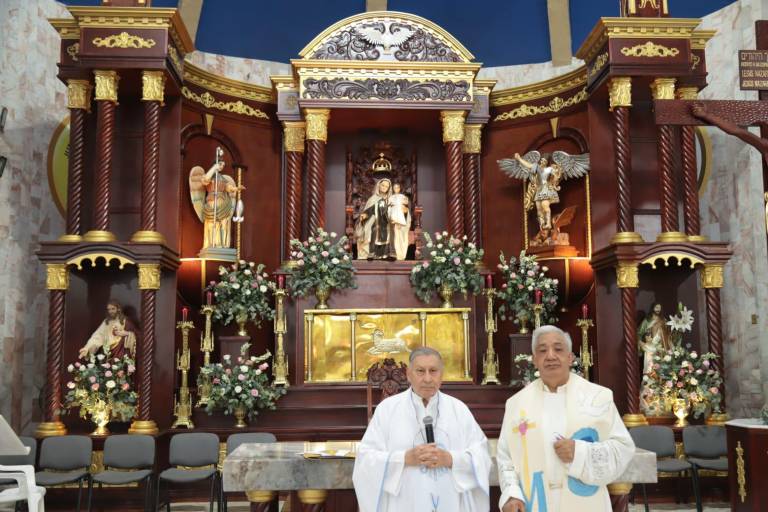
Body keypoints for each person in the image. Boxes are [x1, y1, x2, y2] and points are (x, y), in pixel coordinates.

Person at [497, 325, 635, 512]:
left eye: (558, 349)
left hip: (585, 504)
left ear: (570, 358)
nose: (551, 356)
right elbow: (506, 458)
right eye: (543, 350)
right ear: (535, 360)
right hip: (534, 502)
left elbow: (623, 449)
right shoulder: (516, 404)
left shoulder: (598, 397)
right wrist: (512, 494)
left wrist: (579, 453)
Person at [353, 347, 491, 511]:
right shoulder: (387, 410)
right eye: (420, 371)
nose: (427, 378)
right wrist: (404, 458)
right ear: (408, 374)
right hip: (404, 503)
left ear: (442, 375)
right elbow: (366, 460)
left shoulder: (458, 410)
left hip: (451, 502)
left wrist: (450, 459)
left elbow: (482, 456)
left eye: (433, 371)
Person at [189, 152, 245, 250]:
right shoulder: (209, 176)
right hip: (212, 202)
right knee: (212, 223)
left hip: (223, 203)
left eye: (223, 165)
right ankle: (211, 243)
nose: (222, 167)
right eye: (220, 165)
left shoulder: (222, 178)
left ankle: (222, 244)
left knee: (223, 223)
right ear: (215, 164)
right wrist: (214, 168)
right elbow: (205, 180)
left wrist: (237, 188)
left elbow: (229, 188)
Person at [356, 178, 396, 260]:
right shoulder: (373, 199)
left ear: (389, 188)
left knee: (390, 230)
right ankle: (372, 253)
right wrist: (364, 216)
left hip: (388, 221)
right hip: (375, 221)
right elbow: (368, 211)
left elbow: (395, 211)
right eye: (383, 185)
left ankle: (388, 254)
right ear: (379, 186)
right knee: (375, 229)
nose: (384, 187)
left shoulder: (391, 199)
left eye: (386, 186)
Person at [388, 182, 411, 260]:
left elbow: (406, 204)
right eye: (395, 188)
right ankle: (394, 253)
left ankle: (401, 254)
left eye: (397, 187)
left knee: (400, 236)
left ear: (400, 188)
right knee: (394, 236)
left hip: (401, 218)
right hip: (393, 217)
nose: (396, 189)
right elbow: (388, 207)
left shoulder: (402, 197)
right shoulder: (391, 197)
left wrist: (403, 205)